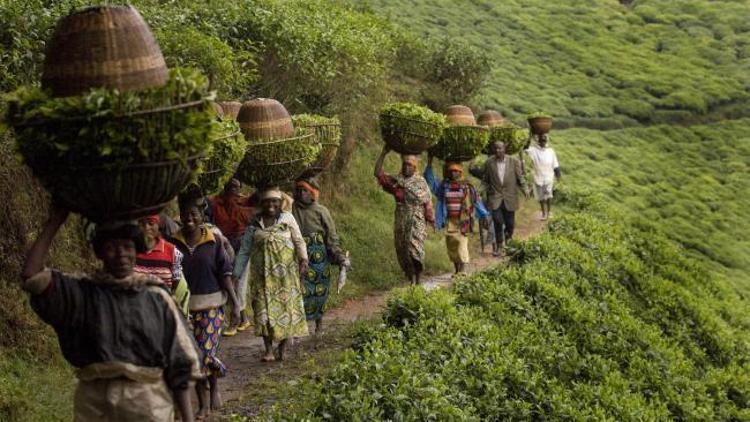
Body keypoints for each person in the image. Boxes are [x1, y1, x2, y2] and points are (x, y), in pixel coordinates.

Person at [21, 206, 200, 421]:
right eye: (111, 247)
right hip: (94, 403)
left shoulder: (156, 298)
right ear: (100, 253)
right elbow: (32, 276)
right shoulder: (82, 293)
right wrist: (55, 221)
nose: (121, 254)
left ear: (137, 252)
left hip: (146, 402)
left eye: (127, 247)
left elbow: (179, 361)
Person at [169, 194, 241, 419]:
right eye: (185, 214)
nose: (189, 219)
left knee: (206, 353)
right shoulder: (172, 243)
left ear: (202, 216)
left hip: (212, 305)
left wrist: (236, 304)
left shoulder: (214, 241)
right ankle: (203, 402)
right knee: (195, 356)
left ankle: (212, 393)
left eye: (194, 214)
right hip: (184, 308)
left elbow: (225, 274)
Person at [233, 187, 309, 362]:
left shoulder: (287, 219)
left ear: (280, 203)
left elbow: (298, 240)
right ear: (261, 204)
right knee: (262, 310)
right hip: (262, 277)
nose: (271, 205)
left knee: (286, 309)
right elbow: (245, 250)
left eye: (274, 201)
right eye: (267, 201)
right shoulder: (254, 224)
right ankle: (268, 350)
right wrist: (236, 273)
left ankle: (282, 347)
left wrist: (303, 259)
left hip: (285, 276)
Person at [291, 177, 351, 333]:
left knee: (319, 291)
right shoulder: (291, 209)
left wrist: (338, 256)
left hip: (318, 257)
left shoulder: (321, 211)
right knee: (299, 291)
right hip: (298, 256)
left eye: (304, 190)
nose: (300, 193)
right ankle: (299, 326)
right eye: (298, 190)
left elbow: (331, 237)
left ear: (312, 193)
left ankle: (319, 323)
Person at [374, 146, 435, 285]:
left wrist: (430, 219)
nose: (407, 168)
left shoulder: (420, 182)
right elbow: (378, 173)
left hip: (416, 219)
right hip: (401, 218)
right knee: (403, 249)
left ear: (415, 167)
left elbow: (426, 201)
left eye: (410, 165)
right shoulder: (397, 181)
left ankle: (418, 278)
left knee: (415, 248)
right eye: (405, 165)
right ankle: (411, 278)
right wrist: (383, 153)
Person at [424, 158, 489, 274]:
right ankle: (457, 269)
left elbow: (476, 201)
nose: (453, 173)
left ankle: (463, 269)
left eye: (456, 171)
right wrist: (429, 164)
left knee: (462, 243)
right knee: (452, 245)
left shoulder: (467, 186)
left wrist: (484, 215)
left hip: (463, 220)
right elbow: (431, 181)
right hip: (449, 220)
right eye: (451, 171)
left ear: (460, 172)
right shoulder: (444, 186)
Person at [211, 178, 255, 332]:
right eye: (231, 187)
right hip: (224, 244)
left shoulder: (244, 203)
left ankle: (235, 320)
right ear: (225, 187)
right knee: (228, 279)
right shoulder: (216, 204)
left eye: (237, 187)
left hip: (242, 245)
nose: (234, 190)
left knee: (239, 280)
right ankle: (243, 318)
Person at [470, 141, 528, 256]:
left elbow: (520, 178)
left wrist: (525, 189)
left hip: (510, 197)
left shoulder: (514, 162)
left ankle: (509, 242)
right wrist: (479, 192)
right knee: (497, 220)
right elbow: (485, 181)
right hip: (495, 198)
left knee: (510, 223)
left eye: (500, 148)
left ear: (504, 148)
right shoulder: (489, 163)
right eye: (496, 149)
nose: (498, 151)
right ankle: (499, 246)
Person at [136, 214, 190, 316]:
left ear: (158, 225)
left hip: (163, 314)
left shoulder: (172, 251)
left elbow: (179, 287)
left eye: (151, 223)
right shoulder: (131, 251)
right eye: (142, 224)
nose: (146, 228)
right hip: (136, 313)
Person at [525, 133, 561, 220]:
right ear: (538, 141)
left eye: (544, 140)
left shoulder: (550, 151)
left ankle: (549, 212)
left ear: (546, 141)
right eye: (541, 140)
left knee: (549, 195)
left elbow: (555, 163)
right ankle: (544, 213)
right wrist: (529, 136)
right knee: (541, 197)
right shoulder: (533, 150)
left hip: (548, 176)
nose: (543, 142)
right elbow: (525, 148)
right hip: (538, 177)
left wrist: (558, 174)